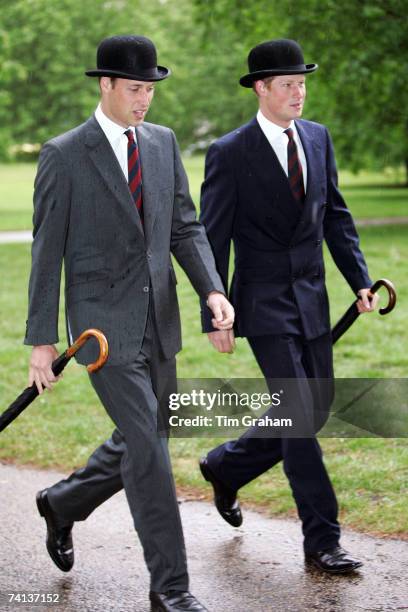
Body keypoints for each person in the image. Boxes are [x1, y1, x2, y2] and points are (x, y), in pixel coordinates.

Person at [24, 35, 234, 612]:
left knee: (144, 440)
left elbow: (185, 228)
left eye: (150, 90)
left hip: (159, 323)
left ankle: (63, 503)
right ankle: (171, 589)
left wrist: (212, 289)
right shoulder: (64, 154)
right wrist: (42, 341)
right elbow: (46, 255)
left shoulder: (163, 144)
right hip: (101, 332)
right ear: (107, 85)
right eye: (135, 89)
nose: (144, 100)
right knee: (149, 451)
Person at [198, 38, 379, 574]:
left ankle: (225, 466)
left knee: (311, 409)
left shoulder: (319, 139)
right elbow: (213, 236)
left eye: (302, 83)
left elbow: (335, 217)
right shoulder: (229, 152)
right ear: (261, 88)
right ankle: (322, 540)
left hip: (313, 298)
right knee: (300, 419)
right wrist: (217, 311)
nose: (299, 92)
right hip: (263, 303)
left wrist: (359, 280)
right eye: (288, 85)